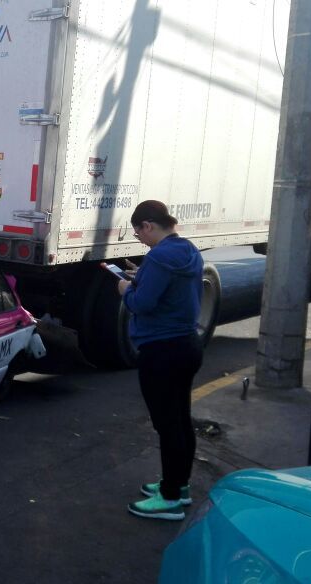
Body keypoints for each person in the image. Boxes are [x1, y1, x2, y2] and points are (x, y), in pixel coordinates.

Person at [118, 200, 204, 521]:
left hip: (162, 350)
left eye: (138, 232)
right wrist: (144, 275)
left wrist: (126, 288)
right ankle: (178, 486)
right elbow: (171, 289)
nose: (139, 238)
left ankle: (168, 499)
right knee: (180, 419)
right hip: (186, 345)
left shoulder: (159, 256)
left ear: (149, 225)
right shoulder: (187, 249)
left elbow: (142, 303)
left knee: (167, 424)